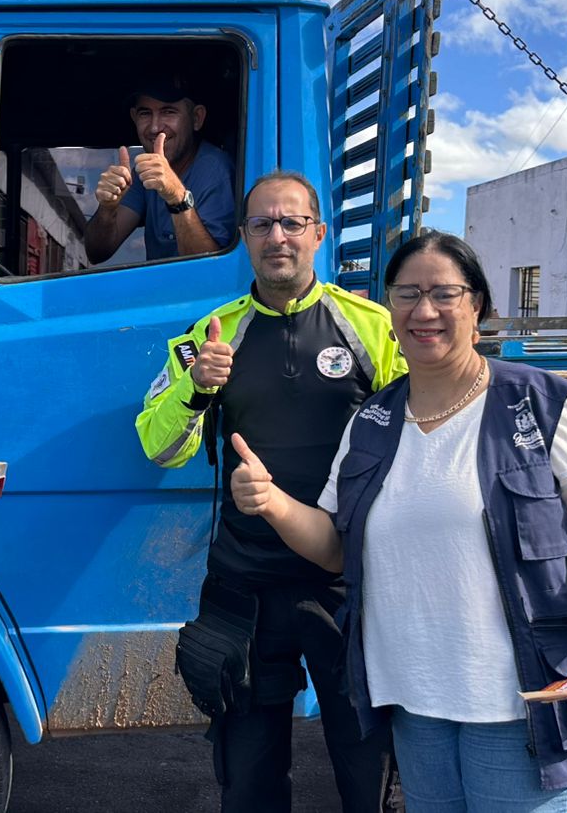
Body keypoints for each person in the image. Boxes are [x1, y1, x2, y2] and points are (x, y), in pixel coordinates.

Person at [229, 232, 567, 812]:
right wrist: (271, 501)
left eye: (444, 293)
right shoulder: (372, 421)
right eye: (407, 294)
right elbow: (335, 548)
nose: (424, 311)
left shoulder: (539, 404)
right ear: (390, 308)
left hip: (519, 704)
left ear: (477, 306)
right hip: (415, 705)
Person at [135, 171, 406, 812]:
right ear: (244, 236)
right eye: (261, 224)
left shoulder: (371, 327)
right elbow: (158, 446)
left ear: (319, 233)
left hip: (346, 586)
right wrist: (196, 387)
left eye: (291, 222)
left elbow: (418, 440)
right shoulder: (211, 334)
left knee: (371, 780)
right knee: (249, 788)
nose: (277, 236)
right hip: (246, 588)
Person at [86, 74, 236, 263]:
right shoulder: (143, 171)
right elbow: (97, 252)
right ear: (134, 117)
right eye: (145, 113)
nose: (155, 127)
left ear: (196, 118)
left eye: (168, 112)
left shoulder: (216, 170)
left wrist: (177, 197)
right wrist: (107, 208)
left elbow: (211, 270)